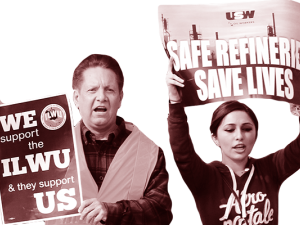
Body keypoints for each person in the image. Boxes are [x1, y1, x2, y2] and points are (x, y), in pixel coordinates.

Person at [165, 57, 300, 225]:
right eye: (229, 129)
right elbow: (182, 152)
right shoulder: (204, 178)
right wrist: (175, 102)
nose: (239, 136)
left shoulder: (270, 169)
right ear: (214, 138)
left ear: (256, 135)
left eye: (247, 129)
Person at [45, 53, 173, 225]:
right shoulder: (47, 150)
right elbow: (20, 198)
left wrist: (112, 211)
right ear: (76, 98)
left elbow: (161, 213)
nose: (101, 97)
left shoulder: (150, 152)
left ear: (120, 98)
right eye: (92, 90)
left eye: (109, 90)